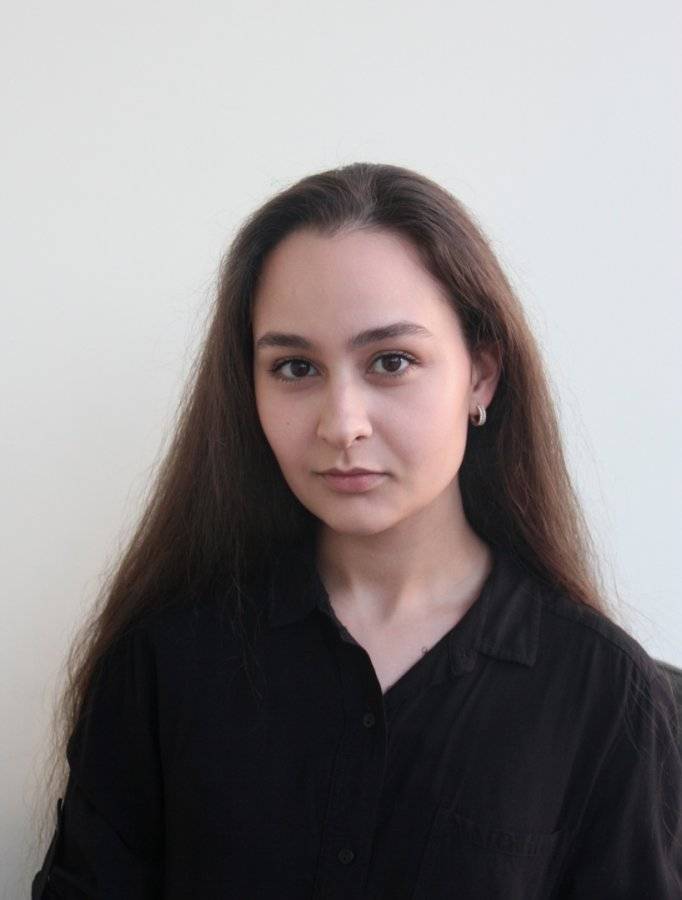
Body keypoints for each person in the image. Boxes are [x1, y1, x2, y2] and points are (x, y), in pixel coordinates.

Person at [31, 162, 682, 898]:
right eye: (295, 367)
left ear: (481, 375)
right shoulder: (164, 661)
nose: (342, 425)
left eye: (391, 362)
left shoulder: (604, 694)